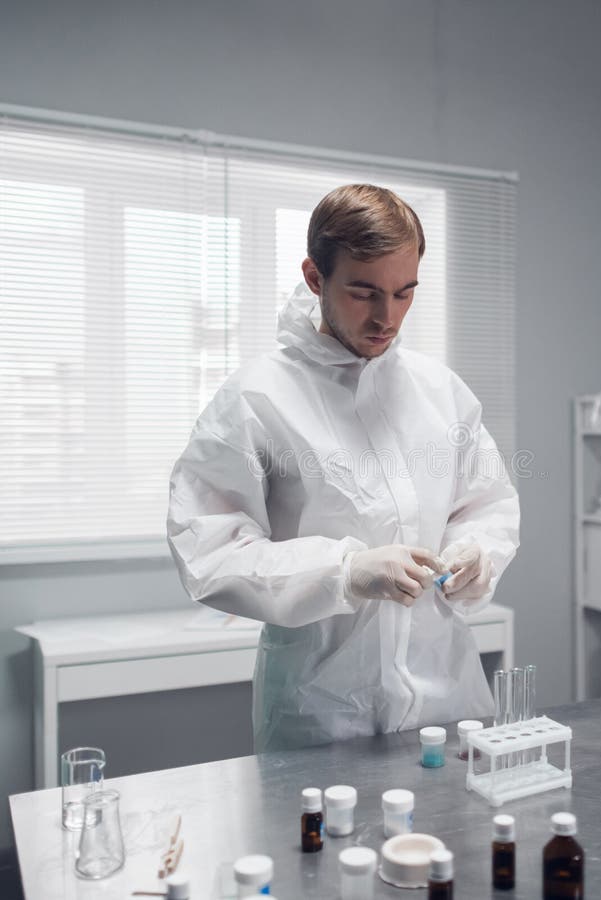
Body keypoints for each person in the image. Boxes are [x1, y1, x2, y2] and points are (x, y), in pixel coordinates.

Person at [167, 184, 520, 751]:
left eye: (405, 294)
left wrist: (478, 553)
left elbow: (487, 505)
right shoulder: (258, 399)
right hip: (322, 713)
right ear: (315, 277)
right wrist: (343, 571)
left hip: (447, 701)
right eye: (364, 292)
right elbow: (208, 551)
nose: (388, 317)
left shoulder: (438, 392)